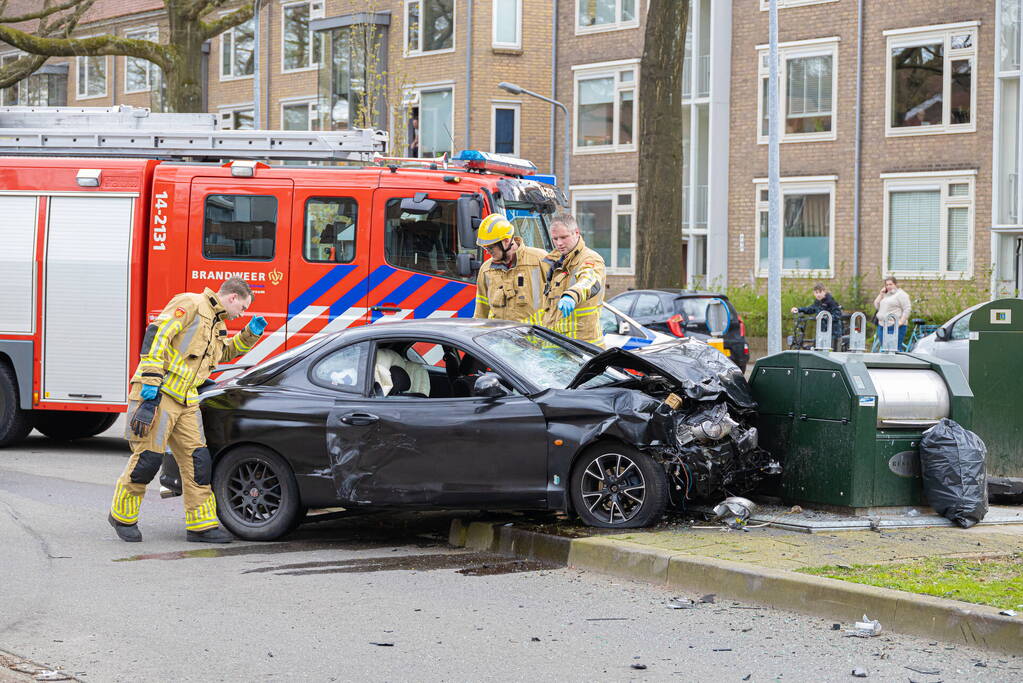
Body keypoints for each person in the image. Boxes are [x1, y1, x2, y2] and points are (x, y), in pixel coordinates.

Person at [108, 278, 266, 543]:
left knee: (198, 463)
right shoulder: (191, 303)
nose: (243, 313)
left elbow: (224, 354)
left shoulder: (218, 323)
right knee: (147, 459)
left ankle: (201, 525)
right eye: (244, 307)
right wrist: (150, 385)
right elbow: (157, 336)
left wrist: (249, 334)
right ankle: (122, 516)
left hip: (186, 398)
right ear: (233, 298)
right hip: (160, 393)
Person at [537, 212, 607, 347]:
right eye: (555, 239)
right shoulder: (555, 262)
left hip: (583, 349)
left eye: (564, 237)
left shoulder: (590, 258)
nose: (559, 243)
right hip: (558, 346)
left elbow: (589, 280)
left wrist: (571, 295)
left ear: (576, 232)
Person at [474, 213, 548, 323]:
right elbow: (481, 311)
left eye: (490, 247)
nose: (488, 251)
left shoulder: (539, 259)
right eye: (485, 248)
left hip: (534, 338)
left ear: (507, 240)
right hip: (500, 338)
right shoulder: (486, 269)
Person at [790, 283, 843, 349]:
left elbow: (838, 315)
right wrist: (799, 309)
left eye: (820, 292)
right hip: (822, 332)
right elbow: (811, 309)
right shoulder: (818, 302)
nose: (818, 294)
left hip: (833, 334)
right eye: (816, 293)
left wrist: (824, 317)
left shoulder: (831, 302)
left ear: (824, 292)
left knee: (832, 354)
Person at [873, 275, 912, 351]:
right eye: (887, 285)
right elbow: (877, 305)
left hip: (894, 326)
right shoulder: (886, 295)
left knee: (894, 350)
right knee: (885, 350)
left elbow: (907, 309)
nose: (888, 286)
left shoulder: (901, 294)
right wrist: (881, 294)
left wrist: (901, 322)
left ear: (895, 284)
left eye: (890, 284)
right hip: (882, 325)